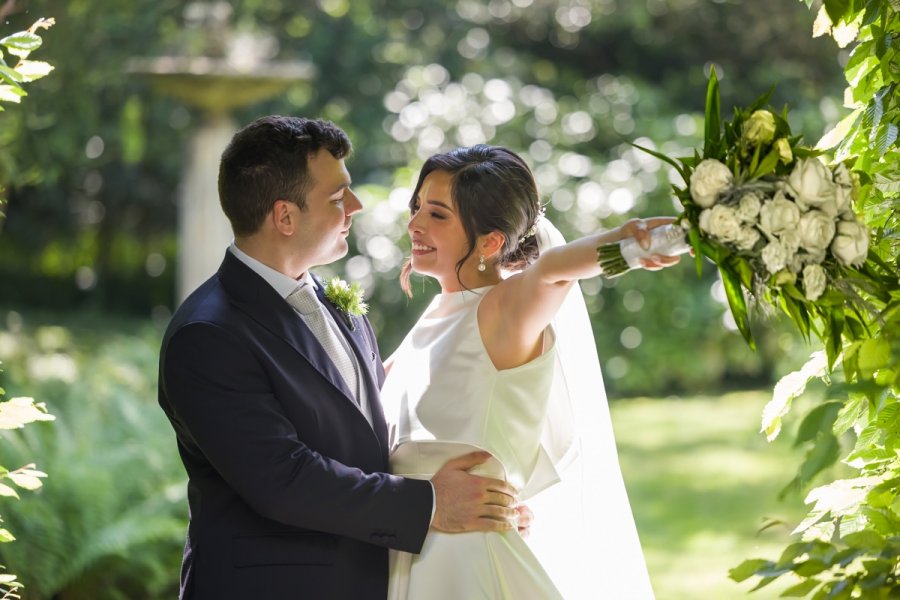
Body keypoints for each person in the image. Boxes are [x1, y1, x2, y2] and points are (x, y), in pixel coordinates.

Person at [157, 117, 521, 600]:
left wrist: (483, 499)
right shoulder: (208, 334)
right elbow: (283, 478)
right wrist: (431, 503)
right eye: (337, 198)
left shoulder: (333, 302)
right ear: (284, 217)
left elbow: (368, 434)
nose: (356, 206)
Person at [381, 145, 675, 599]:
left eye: (437, 215)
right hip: (408, 558)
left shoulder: (503, 310)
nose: (415, 224)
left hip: (469, 570)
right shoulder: (433, 319)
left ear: (490, 242)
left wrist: (634, 244)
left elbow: (555, 273)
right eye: (417, 207)